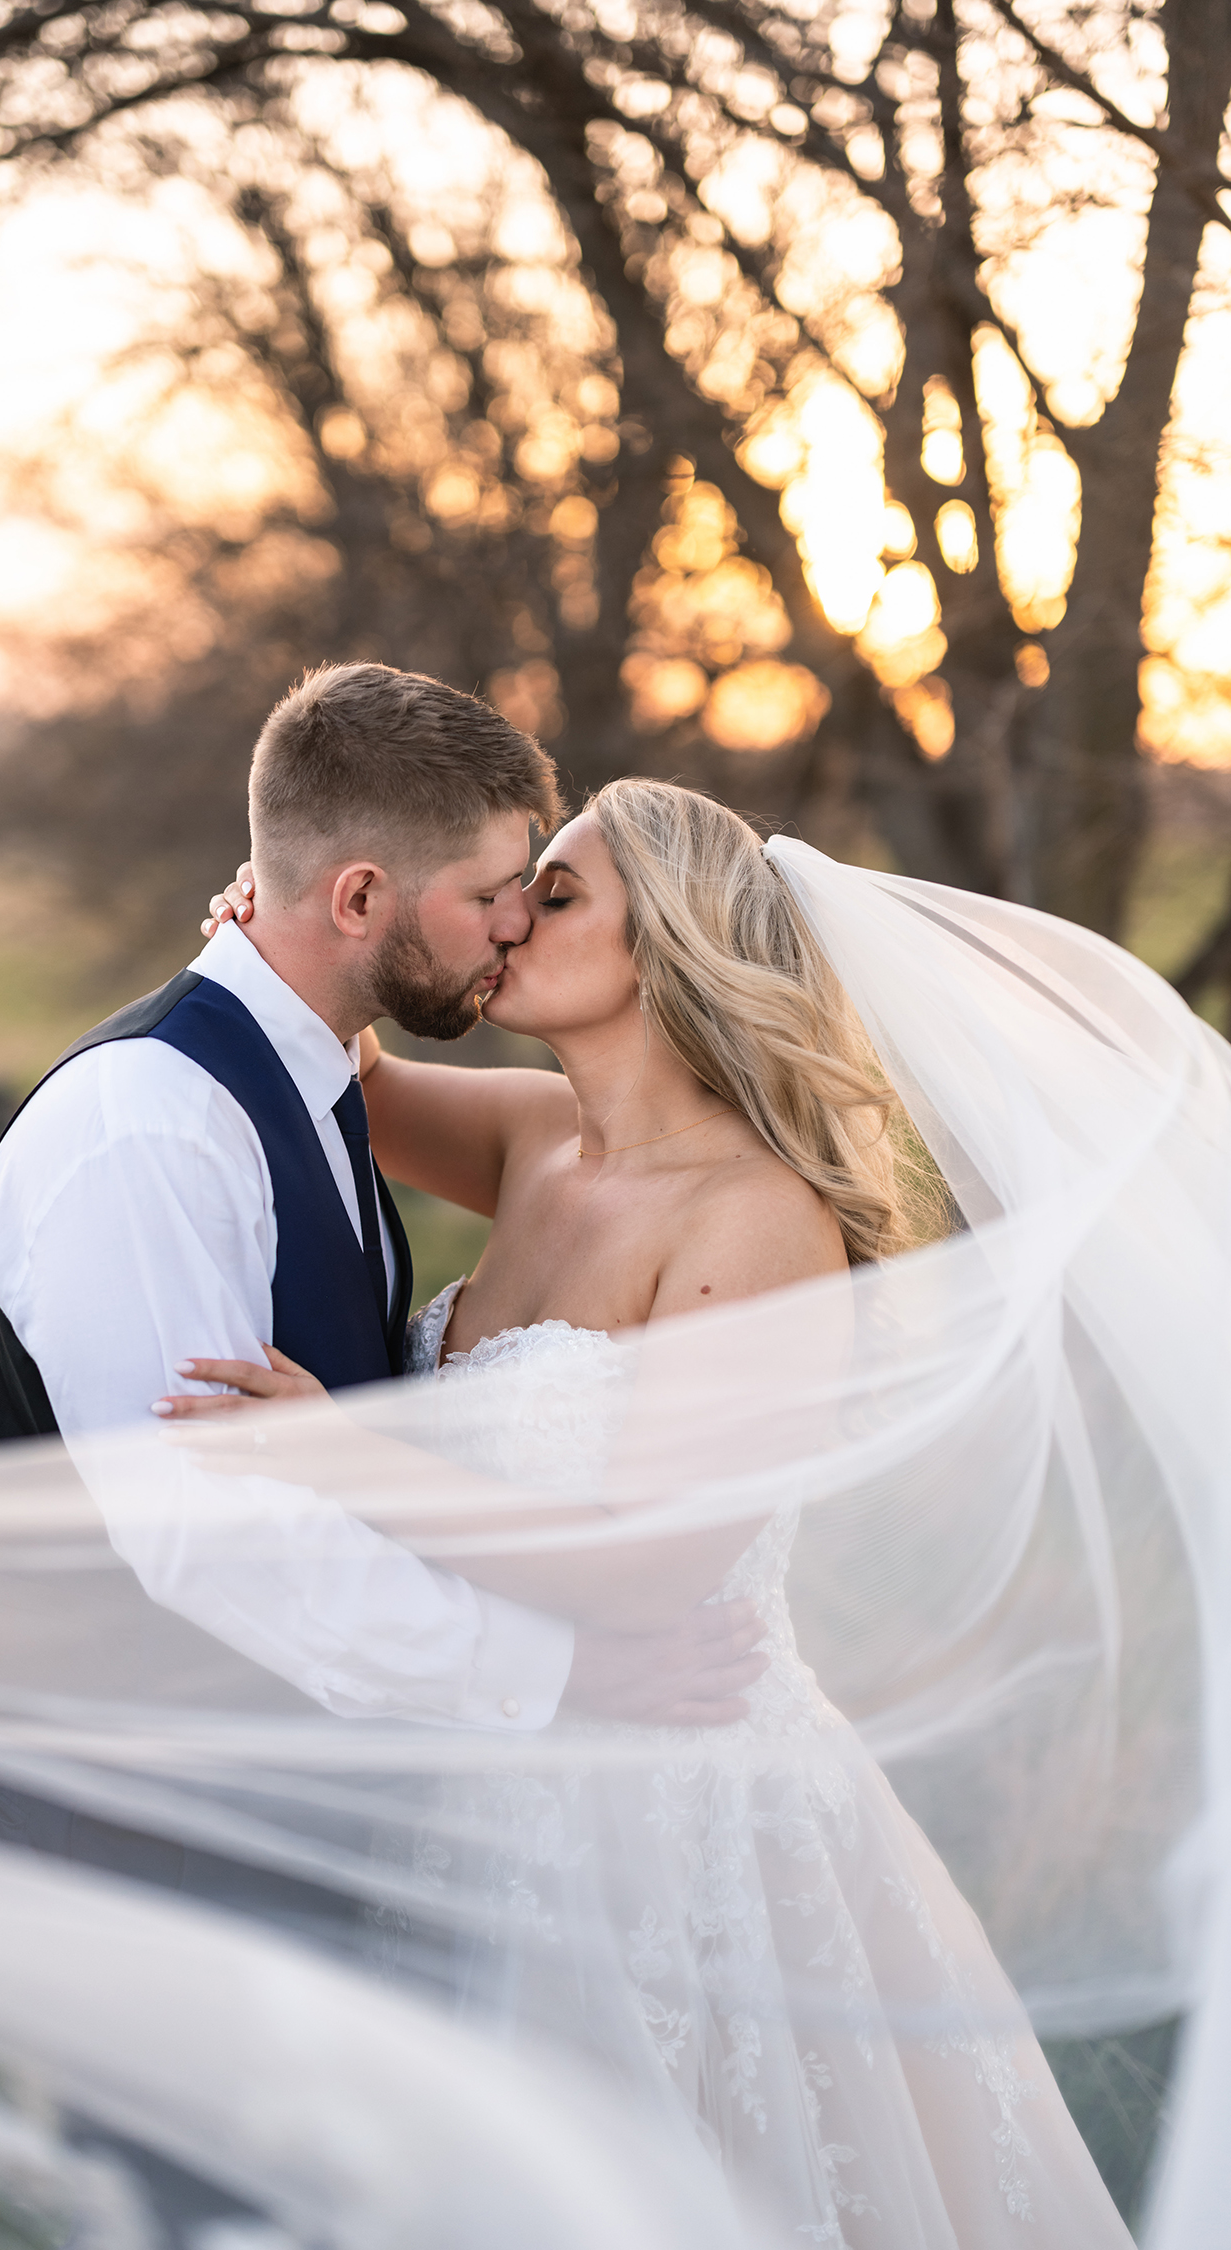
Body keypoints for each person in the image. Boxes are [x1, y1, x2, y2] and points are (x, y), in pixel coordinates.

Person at [168, 777, 1136, 2247]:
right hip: (480, 1771)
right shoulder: (537, 1141)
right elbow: (330, 1077)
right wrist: (280, 917)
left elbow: (648, 1565)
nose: (511, 914)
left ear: (667, 941)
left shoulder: (756, 1217)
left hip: (667, 1816)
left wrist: (343, 1457)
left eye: (557, 893)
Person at [0, 667, 771, 1889]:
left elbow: (349, 1050)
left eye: (542, 896)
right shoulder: (150, 1128)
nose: (512, 926)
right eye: (501, 894)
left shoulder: (321, 1080)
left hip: (392, 1819)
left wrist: (294, 946)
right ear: (358, 896)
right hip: (174, 1843)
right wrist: (557, 1679)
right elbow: (216, 1544)